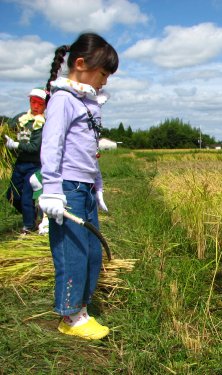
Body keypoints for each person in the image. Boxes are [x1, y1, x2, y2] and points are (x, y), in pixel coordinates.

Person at [38, 33, 118, 340]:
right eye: (103, 74)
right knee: (72, 253)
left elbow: (89, 150)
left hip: (83, 187)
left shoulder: (87, 102)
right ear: (81, 65)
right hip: (67, 188)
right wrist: (51, 189)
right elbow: (52, 145)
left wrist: (97, 184)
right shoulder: (63, 100)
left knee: (91, 251)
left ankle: (81, 309)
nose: (105, 81)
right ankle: (70, 317)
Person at [4, 88, 48, 233]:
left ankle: (28, 226)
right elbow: (7, 129)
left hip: (35, 165)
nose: (35, 106)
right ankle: (33, 215)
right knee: (11, 195)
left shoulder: (43, 124)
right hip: (20, 164)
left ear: (45, 106)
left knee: (27, 196)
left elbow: (35, 147)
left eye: (40, 104)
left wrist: (17, 144)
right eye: (33, 102)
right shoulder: (21, 118)